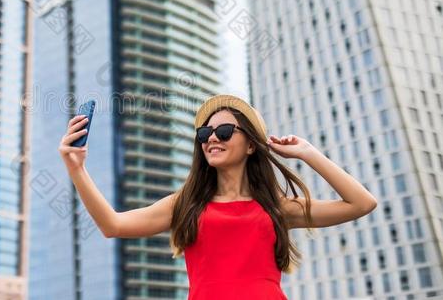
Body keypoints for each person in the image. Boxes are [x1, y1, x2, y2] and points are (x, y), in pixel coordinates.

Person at [58, 94, 378, 299]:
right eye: (205, 133)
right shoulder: (184, 204)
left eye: (224, 132)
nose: (212, 138)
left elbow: (361, 203)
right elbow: (112, 225)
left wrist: (308, 152)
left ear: (251, 144)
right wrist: (77, 170)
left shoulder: (277, 207)